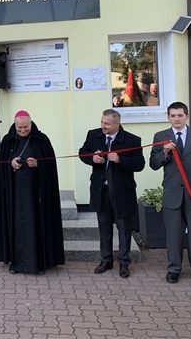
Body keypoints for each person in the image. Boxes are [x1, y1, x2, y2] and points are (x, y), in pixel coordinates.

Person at [150, 102, 191, 286]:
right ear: (168, 117)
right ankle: (173, 270)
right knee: (173, 235)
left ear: (187, 116)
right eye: (173, 116)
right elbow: (153, 164)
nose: (176, 119)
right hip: (172, 194)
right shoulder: (161, 136)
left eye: (180, 115)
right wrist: (164, 152)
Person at [0, 110, 65, 274]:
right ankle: (16, 264)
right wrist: (10, 164)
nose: (22, 130)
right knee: (16, 227)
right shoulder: (7, 141)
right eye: (19, 128)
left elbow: (51, 166)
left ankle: (38, 263)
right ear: (15, 125)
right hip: (14, 194)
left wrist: (38, 164)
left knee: (36, 226)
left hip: (36, 194)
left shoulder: (42, 140)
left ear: (31, 124)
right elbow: (1, 166)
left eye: (25, 127)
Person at [78, 109, 145, 278]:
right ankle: (106, 260)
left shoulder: (132, 140)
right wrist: (92, 159)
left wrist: (121, 160)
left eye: (107, 124)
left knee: (124, 228)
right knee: (104, 227)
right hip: (101, 190)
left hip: (122, 192)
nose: (103, 126)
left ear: (117, 124)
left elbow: (139, 164)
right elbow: (82, 153)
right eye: (102, 122)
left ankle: (124, 262)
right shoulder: (93, 135)